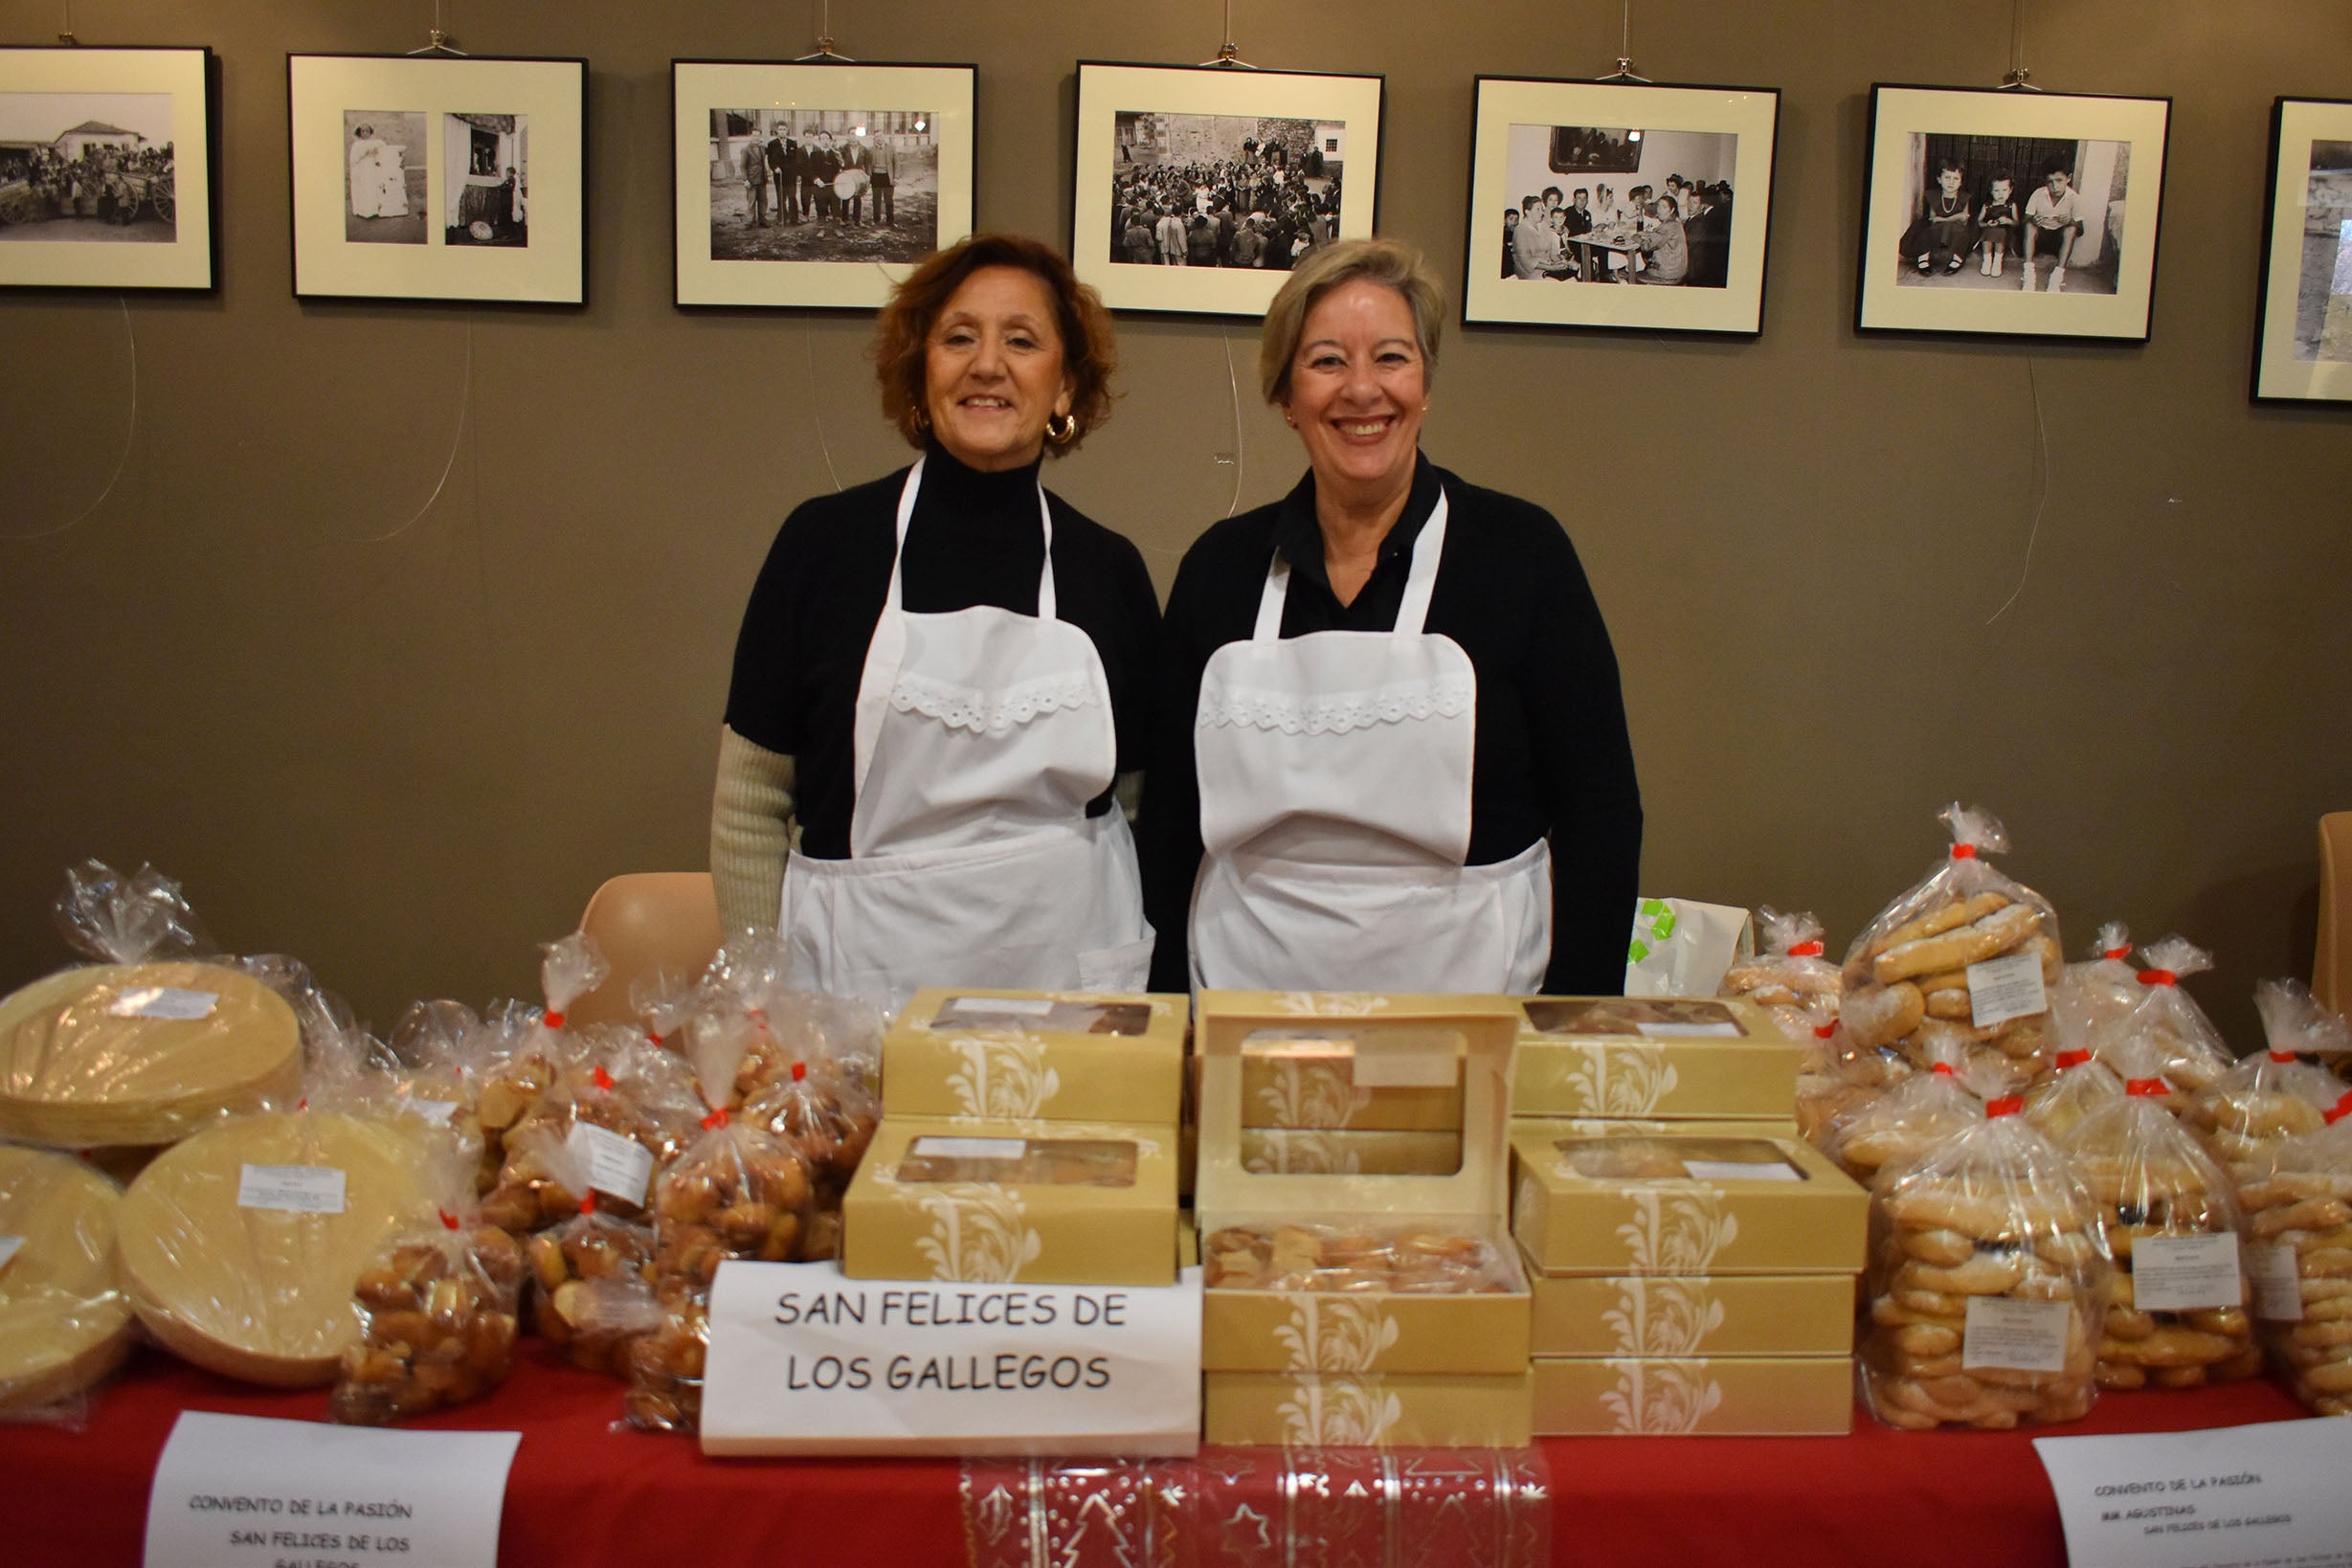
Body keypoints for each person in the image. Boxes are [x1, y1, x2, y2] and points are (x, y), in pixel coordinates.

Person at [1140, 238, 1642, 995]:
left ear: (1426, 383)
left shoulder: (1521, 553)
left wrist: (1575, 1027)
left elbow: (1599, 809)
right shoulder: (1221, 568)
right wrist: (1166, 1013)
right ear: (1285, 397)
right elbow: (1172, 814)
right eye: (1327, 361)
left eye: (1391, 358)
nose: (1362, 390)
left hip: (1475, 1015)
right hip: (1245, 1006)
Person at [712, 234, 1161, 1013]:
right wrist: (759, 1006)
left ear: (1064, 388)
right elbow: (750, 803)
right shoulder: (824, 545)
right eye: (959, 338)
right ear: (922, 373)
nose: (988, 364)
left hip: (1064, 992)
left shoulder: (1107, 569)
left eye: (1021, 341)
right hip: (858, 996)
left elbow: (1130, 805)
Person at [1900, 156, 1975, 277]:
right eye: (1947, 177)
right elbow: (1933, 219)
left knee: (1962, 233)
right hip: (1937, 228)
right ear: (1939, 179)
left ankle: (1957, 259)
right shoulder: (1933, 195)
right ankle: (1923, 259)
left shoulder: (1964, 197)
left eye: (1955, 178)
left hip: (1956, 229)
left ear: (1960, 182)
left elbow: (1964, 219)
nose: (1951, 182)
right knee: (1925, 231)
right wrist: (1954, 217)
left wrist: (1947, 219)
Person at [2021, 161, 2083, 292]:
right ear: (2045, 181)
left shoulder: (2074, 198)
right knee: (2029, 226)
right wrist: (2033, 219)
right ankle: (2029, 275)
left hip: (2058, 240)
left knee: (2071, 229)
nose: (2054, 186)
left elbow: (2081, 230)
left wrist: (2070, 221)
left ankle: (2057, 277)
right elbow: (2024, 220)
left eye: (2059, 180)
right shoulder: (2038, 194)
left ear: (2069, 178)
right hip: (2040, 238)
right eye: (2050, 182)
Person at [1627, 192, 1690, 284]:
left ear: (1672, 210)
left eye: (1664, 207)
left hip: (1668, 272)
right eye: (1659, 207)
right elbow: (1661, 236)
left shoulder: (1667, 226)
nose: (1659, 210)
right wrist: (1648, 234)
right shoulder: (1676, 222)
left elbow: (1647, 246)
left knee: (1632, 276)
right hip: (1679, 269)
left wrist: (1636, 238)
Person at [347, 123, 407, 219]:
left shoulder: (377, 143)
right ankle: (366, 210)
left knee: (374, 187)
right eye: (363, 131)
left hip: (374, 168)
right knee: (366, 188)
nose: (365, 133)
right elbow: (354, 159)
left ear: (371, 132)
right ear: (359, 132)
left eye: (367, 130)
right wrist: (366, 152)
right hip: (363, 169)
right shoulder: (357, 145)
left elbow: (386, 152)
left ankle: (376, 209)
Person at [1975, 170, 2019, 278]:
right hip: (1989, 231)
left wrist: (2008, 221)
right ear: (1991, 191)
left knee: (2000, 232)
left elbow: (2016, 223)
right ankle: (1987, 260)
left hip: (2006, 233)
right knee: (1988, 233)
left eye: (2004, 190)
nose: (2000, 194)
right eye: (1997, 190)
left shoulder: (2011, 205)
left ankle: (1997, 261)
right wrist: (1987, 224)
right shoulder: (1987, 206)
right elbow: (1979, 222)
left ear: (2010, 190)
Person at [869, 134, 898, 228]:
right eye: (876, 137)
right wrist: (869, 175)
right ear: (874, 139)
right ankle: (876, 220)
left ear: (883, 137)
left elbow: (896, 163)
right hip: (876, 177)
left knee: (889, 200)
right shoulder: (871, 150)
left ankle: (890, 221)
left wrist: (895, 177)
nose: (879, 139)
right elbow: (868, 164)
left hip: (887, 176)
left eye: (880, 136)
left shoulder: (891, 148)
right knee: (876, 200)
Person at [740, 133, 769, 226]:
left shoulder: (763, 148)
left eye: (758, 136)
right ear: (751, 137)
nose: (756, 138)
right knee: (751, 201)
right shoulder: (746, 149)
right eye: (754, 135)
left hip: (762, 179)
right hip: (751, 180)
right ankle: (750, 221)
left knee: (763, 201)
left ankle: (762, 220)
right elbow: (743, 166)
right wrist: (745, 180)